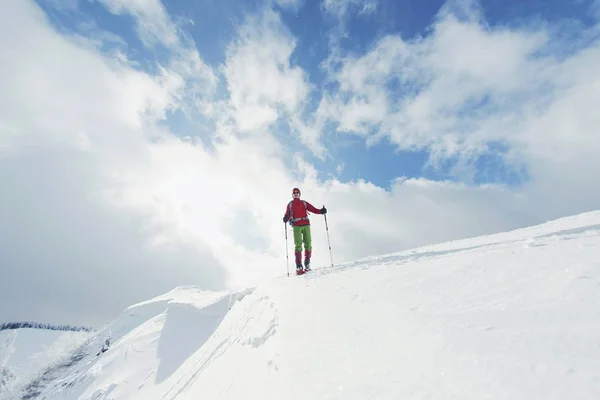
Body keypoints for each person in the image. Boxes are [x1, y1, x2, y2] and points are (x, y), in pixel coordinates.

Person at [283, 187, 327, 274]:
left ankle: (307, 263)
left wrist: (321, 211)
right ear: (292, 195)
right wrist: (285, 218)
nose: (296, 193)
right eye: (294, 192)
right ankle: (299, 266)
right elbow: (287, 215)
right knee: (298, 245)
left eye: (297, 192)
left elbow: (313, 209)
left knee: (308, 243)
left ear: (299, 194)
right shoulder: (290, 204)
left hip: (306, 225)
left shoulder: (304, 203)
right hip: (296, 226)